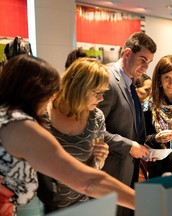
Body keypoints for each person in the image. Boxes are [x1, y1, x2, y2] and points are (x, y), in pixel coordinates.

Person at [0, 55, 135, 216]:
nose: (52, 98)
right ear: (34, 92)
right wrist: (145, 201)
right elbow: (87, 181)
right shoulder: (23, 127)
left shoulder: (6, 117)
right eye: (49, 92)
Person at [37, 58, 110, 213]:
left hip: (80, 206)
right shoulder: (43, 112)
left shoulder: (96, 117)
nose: (101, 98)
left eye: (104, 93)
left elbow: (94, 168)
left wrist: (99, 159)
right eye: (98, 93)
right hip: (41, 207)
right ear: (79, 88)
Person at [97, 31, 156, 216]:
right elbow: (95, 131)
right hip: (111, 170)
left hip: (129, 169)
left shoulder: (130, 83)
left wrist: (143, 147)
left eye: (149, 62)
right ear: (127, 53)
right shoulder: (107, 81)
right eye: (143, 60)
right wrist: (129, 145)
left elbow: (132, 127)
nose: (146, 67)